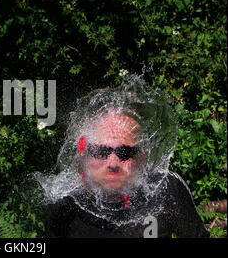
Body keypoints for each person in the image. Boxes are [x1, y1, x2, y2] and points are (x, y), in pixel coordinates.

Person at [43, 86, 209, 238]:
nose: (113, 163)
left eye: (125, 153)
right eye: (101, 151)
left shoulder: (165, 190)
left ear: (141, 158)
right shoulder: (65, 204)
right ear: (84, 155)